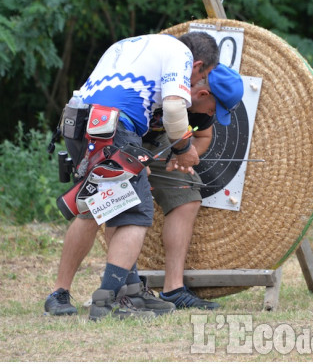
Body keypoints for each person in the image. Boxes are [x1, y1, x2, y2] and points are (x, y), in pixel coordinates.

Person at [43, 32, 243, 320]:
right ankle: (108, 301)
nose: (197, 82)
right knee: (134, 212)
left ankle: (106, 293)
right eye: (205, 74)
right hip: (111, 127)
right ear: (198, 65)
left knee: (101, 205)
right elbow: (174, 108)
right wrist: (184, 149)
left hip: (81, 122)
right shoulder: (180, 54)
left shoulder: (133, 45)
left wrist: (140, 153)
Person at [143, 63, 243, 310]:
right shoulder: (160, 88)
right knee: (124, 195)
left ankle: (173, 289)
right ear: (203, 95)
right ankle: (118, 287)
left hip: (160, 141)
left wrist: (183, 157)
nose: (212, 114)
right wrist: (133, 162)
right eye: (214, 109)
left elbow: (203, 136)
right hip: (123, 133)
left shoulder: (202, 109)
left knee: (187, 194)